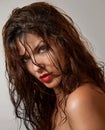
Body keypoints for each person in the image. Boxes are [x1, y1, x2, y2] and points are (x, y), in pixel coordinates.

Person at [2, 1, 105, 130]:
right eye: (25, 59)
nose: (36, 67)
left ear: (64, 42)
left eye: (42, 49)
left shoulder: (79, 100)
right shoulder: (54, 102)